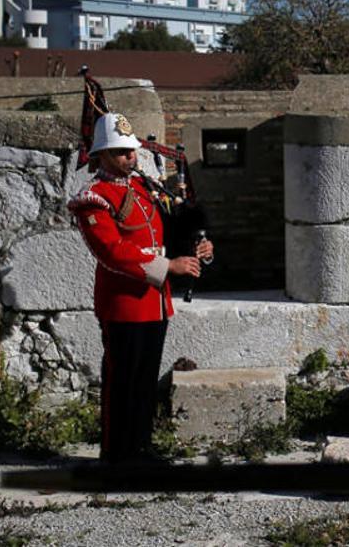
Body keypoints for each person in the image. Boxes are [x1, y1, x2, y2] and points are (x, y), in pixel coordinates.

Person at [68, 112, 213, 464]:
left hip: (154, 302)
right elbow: (113, 252)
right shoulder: (93, 199)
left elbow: (168, 231)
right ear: (100, 156)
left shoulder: (145, 189)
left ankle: (141, 448)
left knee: (145, 382)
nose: (128, 158)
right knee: (123, 383)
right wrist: (168, 267)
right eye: (119, 152)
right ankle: (116, 456)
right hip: (123, 304)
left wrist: (198, 250)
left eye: (130, 151)